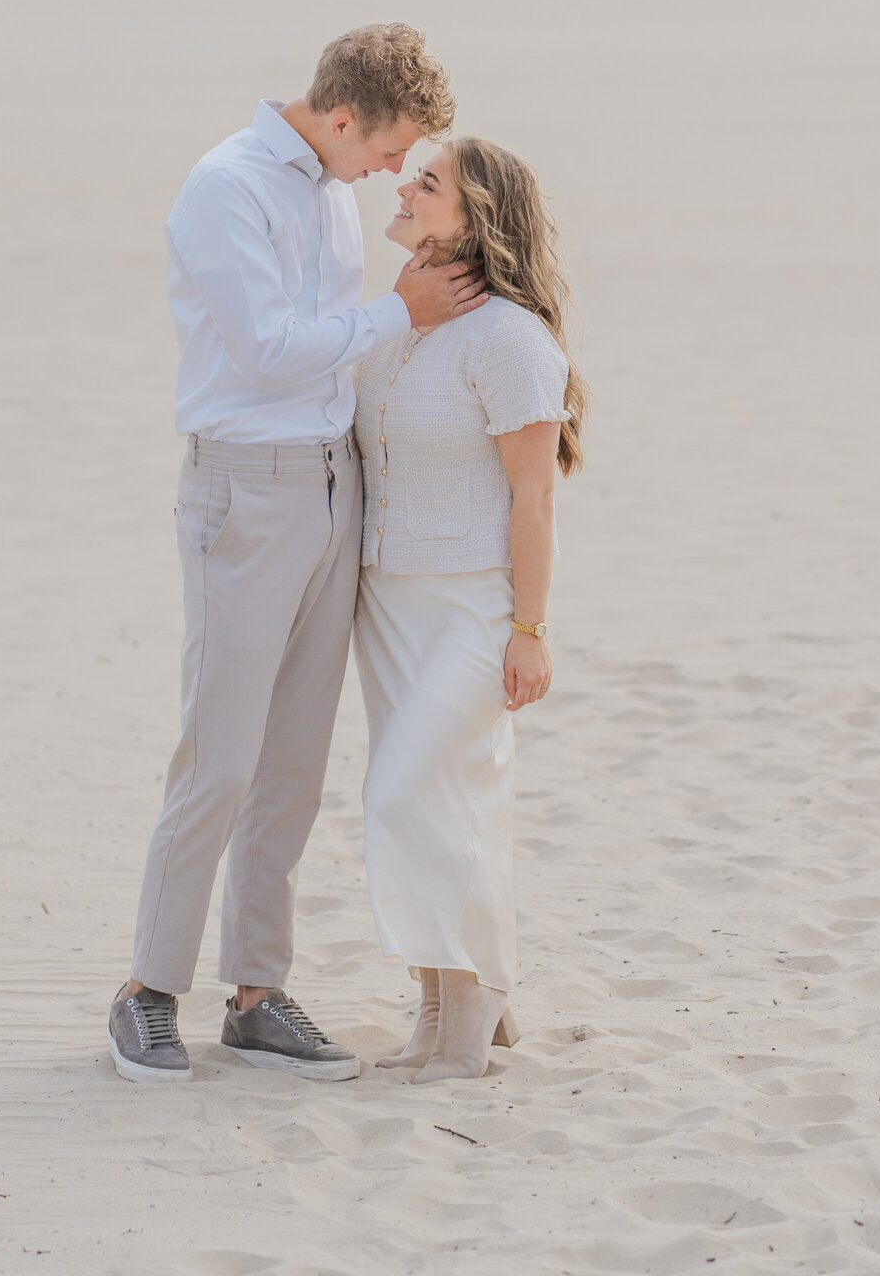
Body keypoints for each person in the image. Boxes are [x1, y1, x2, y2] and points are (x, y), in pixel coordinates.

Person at [108, 24, 485, 1086]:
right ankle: (145, 990)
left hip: (331, 483)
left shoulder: (324, 183)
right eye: (388, 148)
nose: (389, 175)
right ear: (341, 117)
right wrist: (395, 311)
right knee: (218, 756)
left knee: (293, 767)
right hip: (245, 485)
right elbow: (265, 351)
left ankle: (257, 993)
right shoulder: (226, 188)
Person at [354, 134, 584, 1082]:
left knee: (406, 792)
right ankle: (445, 1002)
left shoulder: (511, 342)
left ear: (475, 218)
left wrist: (528, 630)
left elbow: (535, 497)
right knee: (442, 805)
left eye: (430, 182)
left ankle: (479, 988)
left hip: (473, 609)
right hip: (387, 604)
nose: (405, 187)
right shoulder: (392, 322)